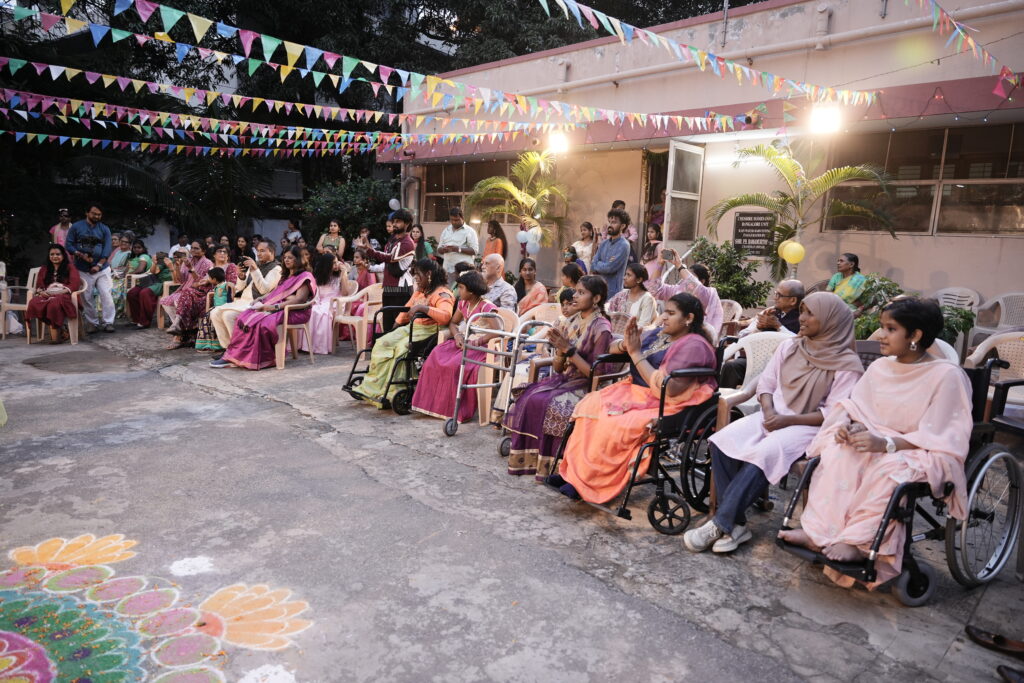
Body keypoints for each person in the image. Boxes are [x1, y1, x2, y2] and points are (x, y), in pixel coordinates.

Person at [779, 298, 972, 587]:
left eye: (890, 329)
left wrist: (886, 444)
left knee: (889, 470)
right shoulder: (880, 367)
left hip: (918, 449)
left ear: (915, 335)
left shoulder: (946, 375)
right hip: (876, 440)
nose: (880, 335)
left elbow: (941, 435)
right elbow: (860, 409)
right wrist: (850, 427)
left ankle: (858, 543)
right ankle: (817, 533)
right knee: (840, 454)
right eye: (882, 327)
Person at [684, 292, 863, 555]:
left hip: (808, 427)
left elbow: (834, 413)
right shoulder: (790, 347)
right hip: (772, 415)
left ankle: (720, 523)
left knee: (765, 453)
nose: (802, 318)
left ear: (830, 320)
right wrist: (769, 412)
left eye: (810, 313)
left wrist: (786, 420)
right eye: (802, 311)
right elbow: (766, 384)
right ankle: (737, 524)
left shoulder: (847, 365)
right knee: (721, 442)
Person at [552, 294, 717, 502]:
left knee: (614, 422)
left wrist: (636, 353)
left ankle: (591, 482)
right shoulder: (658, 334)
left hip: (666, 401)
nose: (664, 317)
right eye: (664, 312)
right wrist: (626, 344)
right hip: (635, 392)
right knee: (590, 407)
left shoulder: (694, 346)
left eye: (671, 313)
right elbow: (612, 348)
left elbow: (669, 389)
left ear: (689, 318)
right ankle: (575, 476)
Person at [504, 275, 613, 480]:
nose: (575, 296)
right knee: (529, 396)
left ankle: (557, 466)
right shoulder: (572, 321)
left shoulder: (602, 328)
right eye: (576, 291)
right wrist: (561, 352)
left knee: (549, 403)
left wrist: (569, 350)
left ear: (596, 298)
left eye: (581, 293)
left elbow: (596, 375)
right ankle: (534, 462)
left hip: (590, 386)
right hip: (567, 379)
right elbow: (558, 367)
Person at [350, 259, 455, 407]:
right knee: (382, 342)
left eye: (417, 274)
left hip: (429, 332)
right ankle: (373, 386)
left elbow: (446, 316)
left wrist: (423, 308)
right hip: (412, 329)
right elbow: (406, 310)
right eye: (414, 274)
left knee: (401, 349)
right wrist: (394, 328)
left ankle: (394, 389)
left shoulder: (443, 294)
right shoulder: (420, 292)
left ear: (429, 274)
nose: (415, 278)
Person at [412, 270, 500, 423]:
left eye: (461, 288)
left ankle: (454, 409)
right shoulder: (463, 303)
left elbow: (498, 330)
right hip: (465, 341)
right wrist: (458, 335)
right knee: (435, 356)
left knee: (454, 365)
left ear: (471, 291)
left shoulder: (486, 307)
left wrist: (478, 341)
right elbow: (453, 323)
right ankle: (434, 405)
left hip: (483, 347)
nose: (458, 291)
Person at [209, 246, 315, 370]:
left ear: (299, 259)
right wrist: (261, 299)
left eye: (290, 258)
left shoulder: (304, 276)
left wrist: (273, 307)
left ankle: (260, 357)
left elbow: (299, 299)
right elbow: (276, 293)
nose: (286, 260)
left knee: (261, 322)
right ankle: (237, 355)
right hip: (281, 308)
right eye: (285, 257)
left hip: (295, 311)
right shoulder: (286, 275)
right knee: (244, 316)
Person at [719, 280, 805, 389]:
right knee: (731, 366)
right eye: (775, 293)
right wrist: (758, 327)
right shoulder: (770, 312)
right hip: (756, 359)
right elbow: (743, 336)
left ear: (793, 300)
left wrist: (779, 327)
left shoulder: (803, 318)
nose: (775, 298)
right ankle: (722, 398)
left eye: (779, 295)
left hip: (782, 365)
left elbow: (799, 342)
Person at [209, 240, 282, 354]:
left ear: (272, 252)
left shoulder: (276, 269)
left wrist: (255, 269)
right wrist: (241, 276)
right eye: (258, 251)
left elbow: (264, 289)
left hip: (258, 303)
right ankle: (228, 350)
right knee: (214, 313)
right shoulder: (256, 264)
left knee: (228, 315)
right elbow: (239, 287)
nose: (259, 254)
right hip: (243, 301)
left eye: (262, 251)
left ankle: (239, 350)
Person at [167, 245, 237, 349]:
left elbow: (231, 284)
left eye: (225, 252)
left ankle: (179, 336)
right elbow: (199, 282)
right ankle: (176, 323)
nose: (222, 253)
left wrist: (211, 281)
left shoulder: (230, 266)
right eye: (219, 251)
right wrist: (201, 281)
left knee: (189, 303)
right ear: (214, 255)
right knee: (187, 292)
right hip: (204, 293)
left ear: (228, 256)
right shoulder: (211, 267)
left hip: (217, 295)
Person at [64, 202, 115, 333]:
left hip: (102, 268)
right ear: (87, 213)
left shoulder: (104, 229)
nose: (97, 216)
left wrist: (98, 265)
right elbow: (69, 245)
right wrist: (79, 254)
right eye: (94, 213)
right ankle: (92, 323)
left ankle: (108, 322)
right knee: (86, 297)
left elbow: (107, 249)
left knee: (106, 295)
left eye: (99, 214)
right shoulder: (76, 227)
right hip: (82, 268)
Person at [648, 255, 723, 340]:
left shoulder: (707, 293)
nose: (685, 278)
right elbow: (654, 290)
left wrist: (679, 265)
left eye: (690, 275)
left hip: (697, 338)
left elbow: (695, 286)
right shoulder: (678, 290)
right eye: (685, 275)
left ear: (702, 281)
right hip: (673, 336)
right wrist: (659, 264)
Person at [366, 209, 417, 331]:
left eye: (398, 221)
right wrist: (370, 264)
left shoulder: (407, 242)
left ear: (407, 224)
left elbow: (391, 258)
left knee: (400, 328)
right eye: (393, 221)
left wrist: (369, 250)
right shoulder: (392, 240)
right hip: (388, 288)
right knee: (388, 326)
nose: (394, 224)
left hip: (402, 289)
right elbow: (386, 261)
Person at [26, 244, 81, 344]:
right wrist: (41, 292)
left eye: (58, 254)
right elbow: (39, 284)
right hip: (48, 294)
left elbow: (75, 284)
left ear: (63, 255)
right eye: (52, 254)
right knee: (34, 302)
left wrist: (59, 292)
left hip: (64, 294)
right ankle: (62, 330)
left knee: (54, 304)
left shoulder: (70, 267)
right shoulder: (44, 268)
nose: (55, 256)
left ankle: (57, 336)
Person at [300, 252, 347, 355]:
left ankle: (320, 346)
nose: (336, 265)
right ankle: (309, 345)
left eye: (337, 262)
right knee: (312, 311)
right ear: (327, 264)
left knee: (323, 313)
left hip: (336, 302)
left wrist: (344, 275)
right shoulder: (320, 277)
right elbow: (317, 294)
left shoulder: (339, 276)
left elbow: (345, 293)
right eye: (333, 263)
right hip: (321, 301)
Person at [160, 241, 212, 334]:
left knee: (178, 300)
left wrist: (191, 268)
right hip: (185, 290)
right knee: (165, 301)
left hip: (199, 293)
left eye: (196, 248)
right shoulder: (188, 261)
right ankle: (178, 327)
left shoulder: (208, 263)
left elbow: (201, 282)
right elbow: (181, 280)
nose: (193, 250)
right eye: (192, 248)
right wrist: (177, 266)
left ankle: (182, 330)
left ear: (203, 251)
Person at [590, 208, 631, 298]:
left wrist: (598, 263)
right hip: (598, 290)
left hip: (613, 293)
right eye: (610, 222)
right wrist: (600, 264)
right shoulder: (604, 243)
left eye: (614, 222)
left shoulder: (624, 245)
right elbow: (592, 264)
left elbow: (610, 268)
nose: (610, 225)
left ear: (622, 226)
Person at [126, 250, 173, 329]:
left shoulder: (176, 263)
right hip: (153, 280)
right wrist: (154, 263)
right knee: (132, 293)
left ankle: (144, 322)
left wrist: (171, 266)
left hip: (164, 283)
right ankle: (136, 319)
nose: (176, 256)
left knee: (145, 293)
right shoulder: (163, 262)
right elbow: (154, 271)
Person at [607, 263, 658, 333]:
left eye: (629, 275)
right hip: (615, 334)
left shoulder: (647, 299)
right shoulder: (622, 294)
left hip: (634, 336)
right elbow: (607, 309)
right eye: (625, 274)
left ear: (639, 280)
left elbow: (643, 326)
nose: (624, 278)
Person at [110, 235, 150, 320]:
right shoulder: (133, 257)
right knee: (109, 285)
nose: (136, 249)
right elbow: (126, 270)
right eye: (135, 248)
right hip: (127, 278)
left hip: (138, 280)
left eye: (139, 247)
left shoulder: (144, 256)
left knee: (114, 288)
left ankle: (120, 312)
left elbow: (140, 269)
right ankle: (112, 312)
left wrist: (127, 274)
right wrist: (122, 275)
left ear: (143, 248)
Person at [194, 267, 233, 353]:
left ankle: (215, 345)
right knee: (206, 319)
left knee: (209, 320)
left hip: (222, 308)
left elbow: (231, 290)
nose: (208, 279)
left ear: (214, 279)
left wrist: (230, 285)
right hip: (215, 308)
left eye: (209, 277)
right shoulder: (217, 286)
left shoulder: (225, 285)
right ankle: (207, 344)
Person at [436, 207, 479, 280]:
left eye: (456, 220)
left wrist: (458, 249)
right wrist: (443, 249)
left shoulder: (470, 231)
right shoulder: (446, 230)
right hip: (447, 269)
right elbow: (439, 249)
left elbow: (475, 251)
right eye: (452, 220)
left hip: (463, 272)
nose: (454, 222)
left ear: (462, 218)